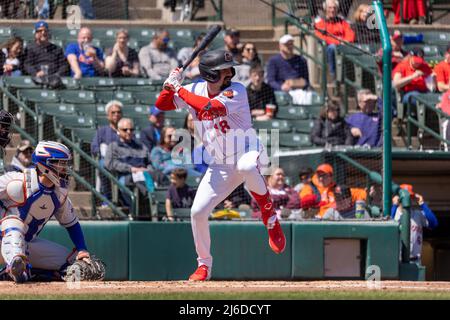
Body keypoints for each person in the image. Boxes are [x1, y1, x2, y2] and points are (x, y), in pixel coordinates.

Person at [155, 49, 287, 281]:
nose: (228, 73)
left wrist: (178, 88)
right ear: (210, 74)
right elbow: (162, 104)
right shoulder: (193, 89)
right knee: (197, 213)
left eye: (228, 69)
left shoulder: (237, 90)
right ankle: (203, 265)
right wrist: (169, 84)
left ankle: (270, 217)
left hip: (248, 151)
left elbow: (209, 108)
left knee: (247, 167)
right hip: (221, 164)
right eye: (222, 70)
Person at [0, 141, 93, 283]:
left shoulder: (59, 193)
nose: (64, 168)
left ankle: (22, 272)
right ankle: (15, 265)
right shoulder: (17, 181)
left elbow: (72, 224)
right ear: (46, 164)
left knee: (73, 264)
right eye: (60, 163)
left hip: (26, 244)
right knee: (13, 221)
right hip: (4, 238)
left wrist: (82, 249)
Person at [104, 118, 154, 210]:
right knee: (124, 183)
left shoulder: (141, 146)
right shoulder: (114, 146)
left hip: (144, 174)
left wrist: (147, 169)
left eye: (131, 129)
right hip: (125, 175)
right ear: (118, 131)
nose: (128, 132)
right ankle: (134, 209)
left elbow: (150, 162)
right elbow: (109, 163)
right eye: (125, 130)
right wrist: (130, 168)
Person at [391, 184, 438, 263]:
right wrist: (394, 205)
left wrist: (422, 204)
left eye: (410, 197)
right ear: (399, 198)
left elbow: (434, 223)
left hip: (416, 261)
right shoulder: (394, 213)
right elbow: (388, 228)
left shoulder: (418, 214)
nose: (407, 200)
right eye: (405, 197)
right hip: (398, 261)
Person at [314, 0, 355, 81]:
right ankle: (332, 75)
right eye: (329, 8)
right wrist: (338, 41)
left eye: (334, 8)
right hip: (327, 48)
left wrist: (346, 41)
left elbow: (350, 34)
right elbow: (321, 37)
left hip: (343, 46)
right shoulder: (320, 22)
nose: (332, 10)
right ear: (325, 9)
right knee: (332, 47)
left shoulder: (342, 22)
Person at [91, 100, 123, 202]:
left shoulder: (127, 129)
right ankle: (107, 197)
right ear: (108, 116)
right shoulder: (102, 131)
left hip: (124, 160)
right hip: (107, 160)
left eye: (118, 112)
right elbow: (94, 147)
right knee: (103, 165)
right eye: (113, 112)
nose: (116, 114)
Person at [266, 34, 311, 105]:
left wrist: (296, 83)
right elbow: (271, 81)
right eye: (287, 44)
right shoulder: (273, 61)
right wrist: (281, 87)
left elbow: (306, 81)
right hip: (279, 93)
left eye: (291, 44)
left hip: (299, 92)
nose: (289, 47)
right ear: (280, 46)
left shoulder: (301, 60)